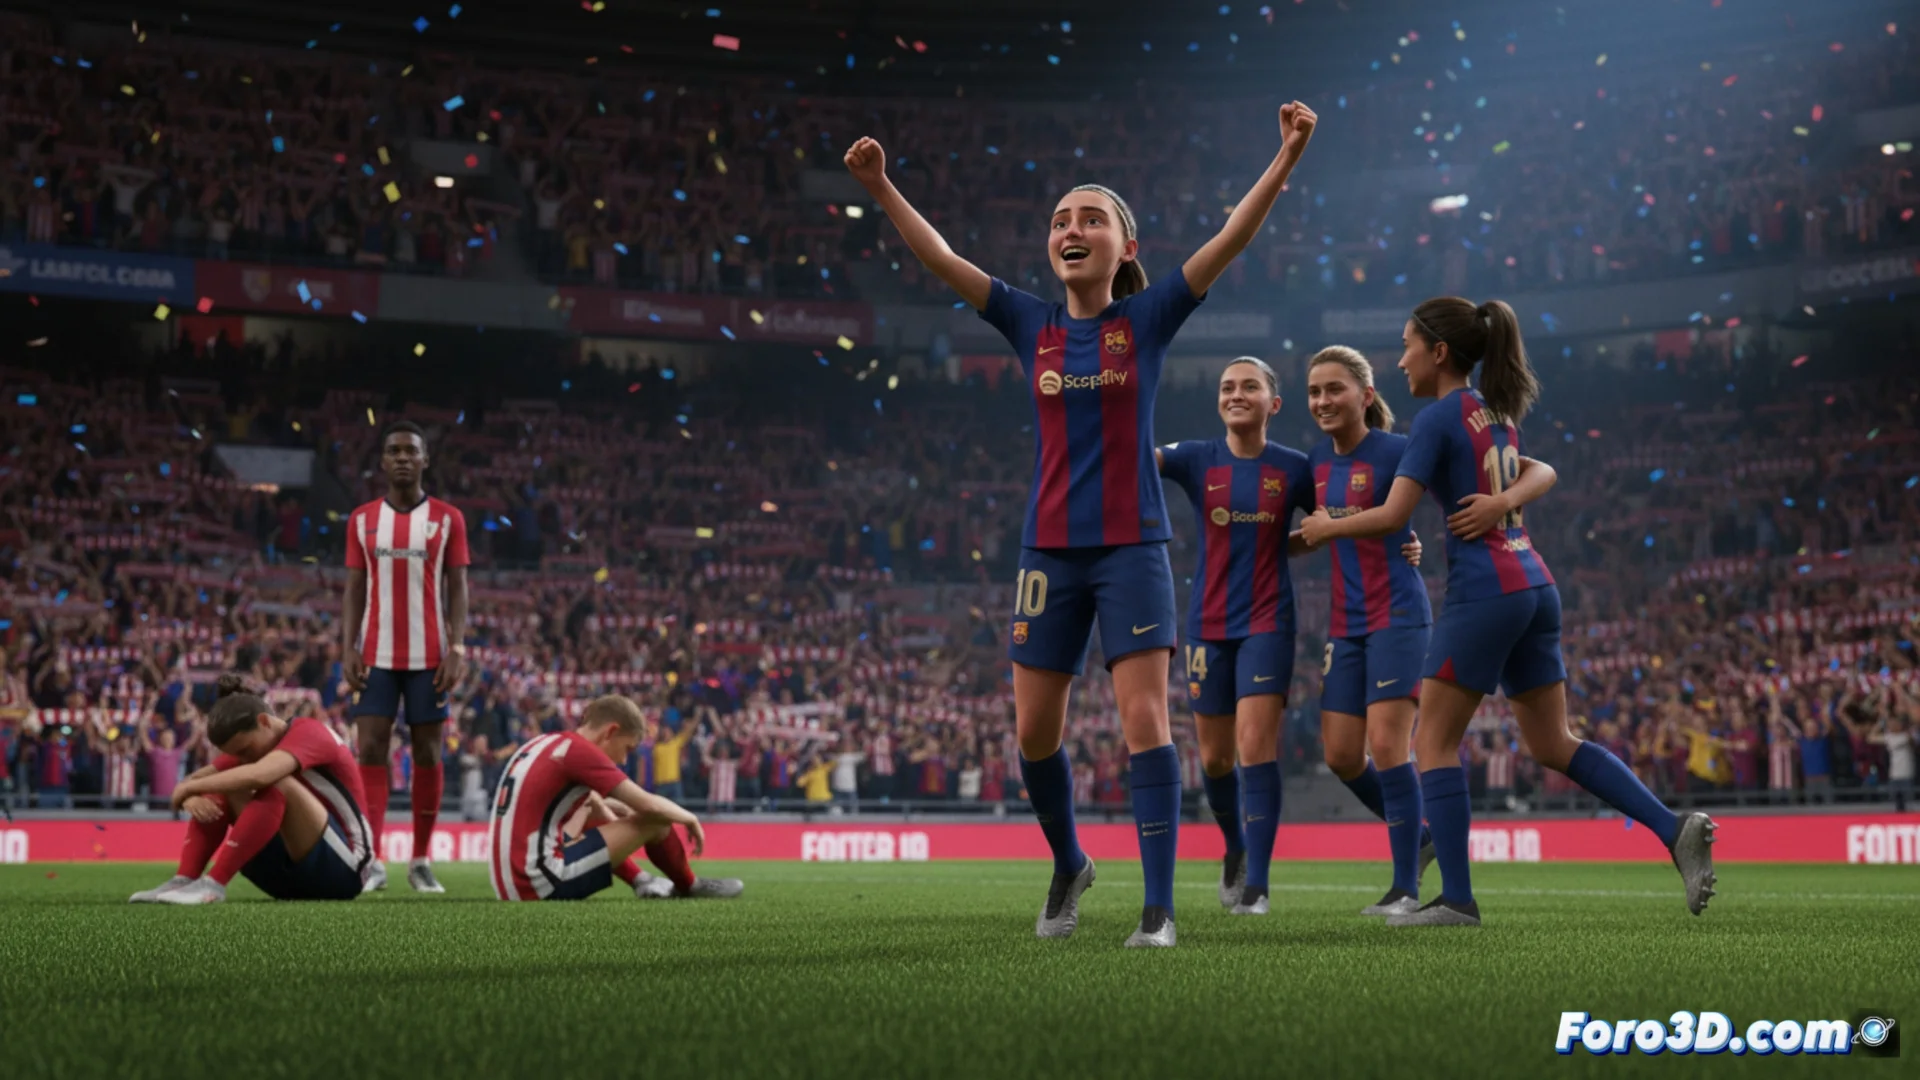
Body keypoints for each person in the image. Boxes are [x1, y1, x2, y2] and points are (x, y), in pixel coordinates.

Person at [847, 99, 1319, 948]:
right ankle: (1070, 863)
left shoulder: (1147, 319)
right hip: (1049, 551)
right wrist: (882, 187)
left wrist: (1285, 157)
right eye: (1061, 219)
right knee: (1035, 733)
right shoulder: (1029, 321)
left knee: (1145, 724)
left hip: (1133, 547)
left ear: (1126, 247)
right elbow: (943, 259)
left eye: (1092, 218)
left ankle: (1158, 910)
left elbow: (1230, 238)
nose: (1072, 228)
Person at [1300, 296, 1716, 926]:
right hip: (1533, 583)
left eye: (1408, 346)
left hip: (1484, 591)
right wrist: (1502, 503)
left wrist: (1324, 528)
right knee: (1553, 742)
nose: (1402, 360)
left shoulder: (1436, 419)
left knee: (1432, 743)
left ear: (1439, 351)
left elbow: (1392, 514)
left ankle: (1457, 900)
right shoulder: (1492, 412)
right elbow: (1540, 470)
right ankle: (1672, 827)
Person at [1157, 356, 1422, 916]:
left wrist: (1406, 535)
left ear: (1272, 404)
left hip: (1268, 620)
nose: (1236, 394)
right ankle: (1235, 848)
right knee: (1215, 760)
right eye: (1227, 387)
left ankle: (1257, 885)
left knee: (1256, 746)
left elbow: (1350, 508)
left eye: (1249, 386)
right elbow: (1138, 459)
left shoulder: (1299, 468)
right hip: (1206, 622)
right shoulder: (1196, 457)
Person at [1298, 346, 1437, 916]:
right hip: (1345, 623)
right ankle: (1420, 835)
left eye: (1335, 389)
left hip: (1398, 614)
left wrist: (1410, 540)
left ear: (1366, 395)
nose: (1323, 401)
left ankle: (1405, 888)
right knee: (1341, 755)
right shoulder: (1312, 464)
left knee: (1387, 745)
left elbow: (1401, 513)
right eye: (1315, 392)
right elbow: (1307, 531)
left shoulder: (1398, 452)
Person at [342, 420, 470, 894]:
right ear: (382, 461)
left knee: (428, 753)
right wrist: (348, 646)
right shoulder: (361, 520)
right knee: (370, 750)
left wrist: (457, 646)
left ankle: (420, 860)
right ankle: (372, 860)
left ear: (424, 460)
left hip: (429, 657)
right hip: (376, 656)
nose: (401, 458)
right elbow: (354, 587)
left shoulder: (448, 519)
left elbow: (458, 586)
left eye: (410, 451)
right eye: (394, 450)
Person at [130, 675, 373, 904]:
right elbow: (190, 784)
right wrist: (191, 796)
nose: (243, 757)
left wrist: (190, 788)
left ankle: (214, 884)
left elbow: (260, 775)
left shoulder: (310, 732)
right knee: (226, 784)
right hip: (289, 878)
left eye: (245, 750)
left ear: (264, 722)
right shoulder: (256, 744)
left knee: (271, 780)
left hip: (346, 871)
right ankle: (184, 880)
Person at [488, 695, 743, 901]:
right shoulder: (581, 752)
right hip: (539, 882)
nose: (623, 760)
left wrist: (616, 813)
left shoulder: (546, 742)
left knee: (592, 807)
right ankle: (690, 885)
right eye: (627, 748)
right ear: (611, 731)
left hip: (513, 883)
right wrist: (689, 818)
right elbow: (649, 804)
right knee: (656, 820)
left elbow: (589, 803)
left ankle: (641, 880)